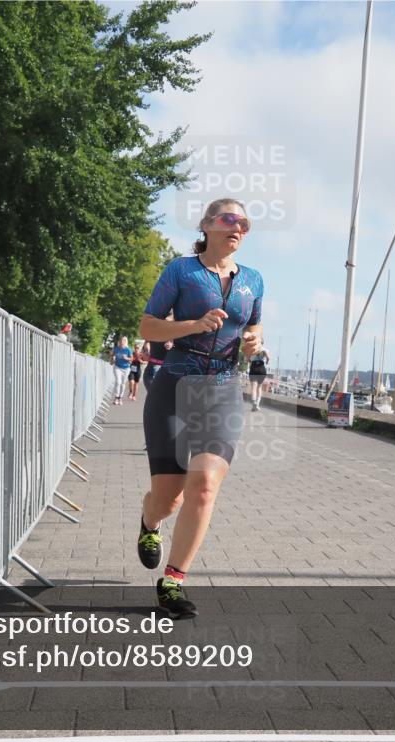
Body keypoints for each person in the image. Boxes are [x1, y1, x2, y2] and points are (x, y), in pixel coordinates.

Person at [137, 198, 264, 619]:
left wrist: (255, 342)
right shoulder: (181, 270)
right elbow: (147, 325)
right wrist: (193, 325)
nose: (238, 227)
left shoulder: (254, 280)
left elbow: (254, 326)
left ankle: (172, 582)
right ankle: (149, 521)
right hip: (175, 385)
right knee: (168, 499)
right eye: (229, 219)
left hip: (223, 387)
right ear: (207, 225)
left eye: (244, 223)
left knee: (205, 483)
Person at [111, 336, 132, 405]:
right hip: (117, 367)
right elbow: (112, 355)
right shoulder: (116, 349)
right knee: (118, 382)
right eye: (120, 341)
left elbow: (132, 359)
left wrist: (126, 358)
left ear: (125, 342)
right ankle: (116, 397)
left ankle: (120, 397)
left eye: (123, 341)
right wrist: (113, 358)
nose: (121, 342)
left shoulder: (128, 350)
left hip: (126, 368)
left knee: (123, 383)